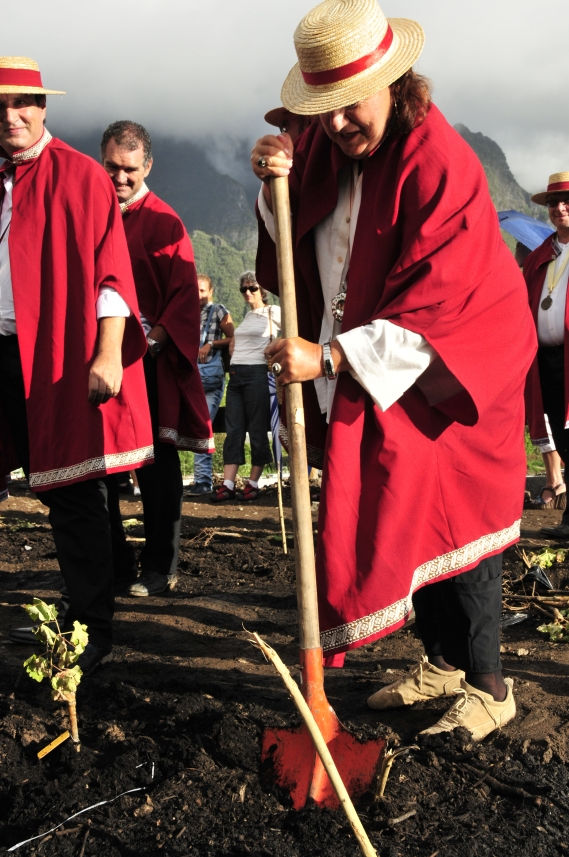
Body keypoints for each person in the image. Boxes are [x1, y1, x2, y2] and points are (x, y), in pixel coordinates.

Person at [251, 0, 536, 741]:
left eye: (352, 104)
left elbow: (442, 300)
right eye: (324, 108)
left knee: (459, 517)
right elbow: (297, 233)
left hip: (455, 371)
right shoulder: (324, 147)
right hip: (381, 369)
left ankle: (490, 686)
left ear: (394, 83)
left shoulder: (439, 161)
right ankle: (439, 663)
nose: (338, 122)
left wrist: (332, 356)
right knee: (406, 509)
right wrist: (271, 179)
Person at [0, 57, 153, 672]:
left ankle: (91, 626)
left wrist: (109, 352)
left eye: (22, 103)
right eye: (0, 105)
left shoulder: (82, 176)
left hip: (56, 354)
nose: (11, 116)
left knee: (72, 488)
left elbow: (111, 271)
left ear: (43, 107)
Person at [100, 120, 213, 596]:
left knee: (155, 465)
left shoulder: (166, 222)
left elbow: (184, 296)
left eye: (129, 169)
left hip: (147, 360)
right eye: (112, 167)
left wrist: (151, 344)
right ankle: (113, 562)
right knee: (99, 465)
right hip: (97, 359)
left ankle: (160, 565)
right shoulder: (92, 212)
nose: (120, 177)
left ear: (147, 166)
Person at [524, 172, 569, 537]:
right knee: (563, 437)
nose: (560, 208)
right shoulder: (541, 256)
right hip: (547, 362)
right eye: (554, 203)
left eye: (567, 201)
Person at [212, 272, 280, 502]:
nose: (248, 292)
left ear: (263, 290)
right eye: (244, 289)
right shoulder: (250, 315)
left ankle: (252, 483)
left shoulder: (273, 312)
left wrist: (275, 347)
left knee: (257, 428)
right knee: (234, 429)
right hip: (236, 375)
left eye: (253, 288)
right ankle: (228, 484)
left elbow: (293, 330)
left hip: (257, 374)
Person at [186, 274, 234, 495]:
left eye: (202, 291)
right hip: (191, 378)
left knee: (203, 426)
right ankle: (200, 480)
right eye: (195, 290)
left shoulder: (218, 310)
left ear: (211, 291)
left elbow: (234, 337)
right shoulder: (188, 312)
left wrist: (211, 344)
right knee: (194, 427)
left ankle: (203, 481)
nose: (198, 295)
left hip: (211, 379)